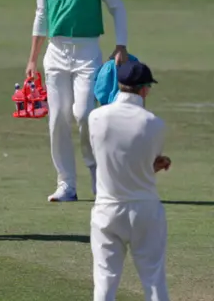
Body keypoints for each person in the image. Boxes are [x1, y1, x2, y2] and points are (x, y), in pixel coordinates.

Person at [25, 0, 129, 202]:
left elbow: (116, 6)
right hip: (55, 52)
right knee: (57, 118)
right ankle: (66, 184)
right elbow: (41, 16)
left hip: (87, 51)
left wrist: (121, 45)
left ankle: (97, 176)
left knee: (84, 115)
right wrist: (32, 59)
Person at [88, 60, 170, 301]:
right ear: (144, 90)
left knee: (104, 282)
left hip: (107, 209)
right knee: (154, 281)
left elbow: (111, 161)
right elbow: (141, 162)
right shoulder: (155, 124)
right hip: (145, 210)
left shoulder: (96, 118)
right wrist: (153, 166)